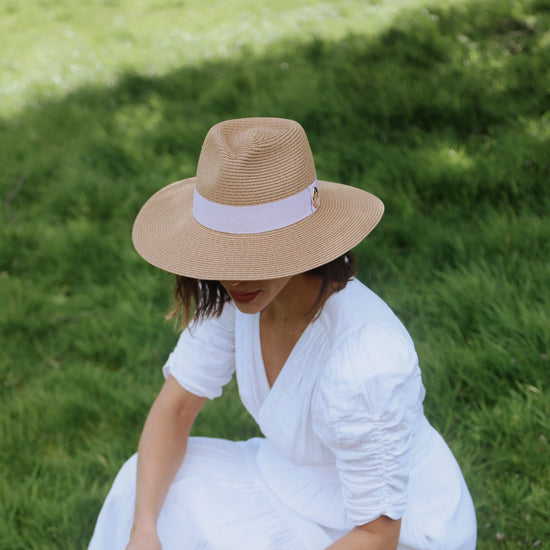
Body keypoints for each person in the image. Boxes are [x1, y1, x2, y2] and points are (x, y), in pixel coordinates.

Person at [88, 117, 477, 550]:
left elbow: (378, 533)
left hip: (395, 528)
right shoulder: (239, 298)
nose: (236, 276)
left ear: (303, 241)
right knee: (144, 488)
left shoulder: (367, 359)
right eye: (224, 253)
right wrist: (143, 532)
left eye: (257, 253)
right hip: (291, 483)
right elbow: (175, 410)